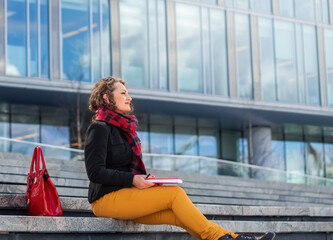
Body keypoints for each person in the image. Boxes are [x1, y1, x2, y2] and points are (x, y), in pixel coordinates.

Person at [84, 76, 276, 240]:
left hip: (127, 195)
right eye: (123, 93)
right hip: (105, 200)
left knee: (179, 216)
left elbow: (128, 170)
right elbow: (95, 172)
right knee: (175, 193)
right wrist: (133, 179)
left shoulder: (126, 131)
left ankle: (235, 238)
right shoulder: (99, 129)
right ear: (107, 97)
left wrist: (145, 181)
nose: (129, 97)